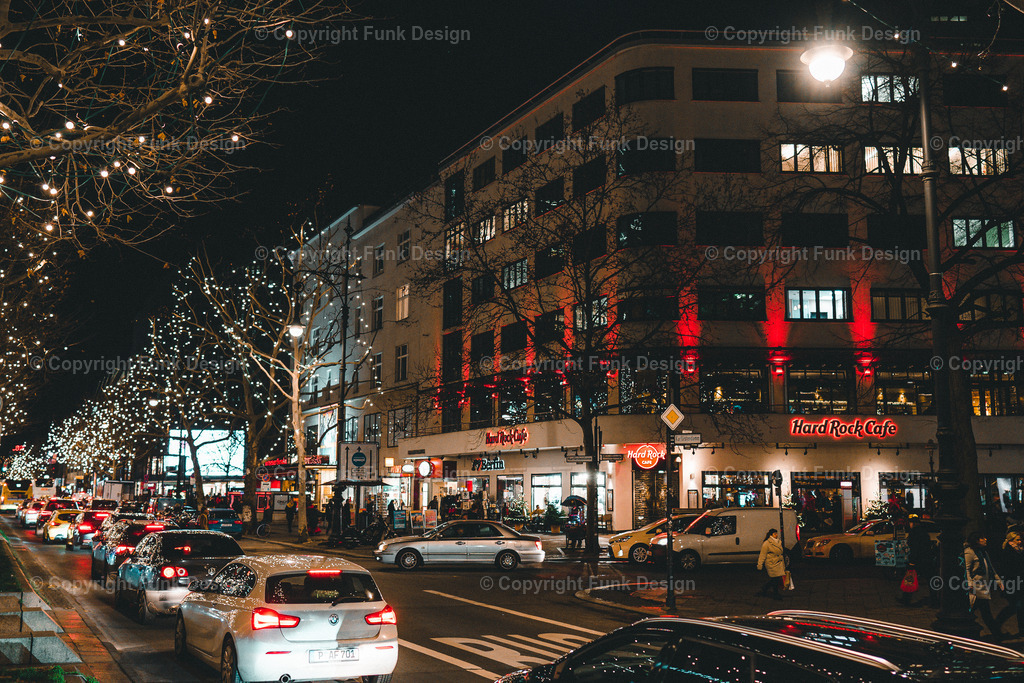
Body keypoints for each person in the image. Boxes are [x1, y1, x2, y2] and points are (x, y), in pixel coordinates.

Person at [965, 531, 1006, 641]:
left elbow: (990, 568)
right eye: (982, 538)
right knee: (984, 612)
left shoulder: (983, 552)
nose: (985, 539)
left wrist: (998, 581)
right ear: (976, 540)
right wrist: (969, 583)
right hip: (976, 587)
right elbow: (967, 569)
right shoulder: (970, 552)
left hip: (983, 586)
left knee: (982, 612)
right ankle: (997, 634)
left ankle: (996, 633)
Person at [906, 516, 938, 607]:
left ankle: (906, 598)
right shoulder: (924, 532)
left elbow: (915, 547)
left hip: (919, 559)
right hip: (927, 558)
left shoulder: (914, 533)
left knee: (910, 578)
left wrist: (912, 561)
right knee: (930, 579)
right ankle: (934, 599)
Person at [998, 532, 1024, 637]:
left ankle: (1022, 630)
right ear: (1010, 541)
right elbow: (1009, 569)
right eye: (1017, 540)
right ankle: (997, 624)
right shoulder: (1008, 552)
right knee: (1015, 607)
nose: (1020, 541)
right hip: (1013, 583)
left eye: (1020, 539)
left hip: (1018, 583)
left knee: (1019, 607)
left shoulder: (1018, 551)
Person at [756, 528, 786, 600]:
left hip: (778, 563)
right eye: (775, 534)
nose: (776, 535)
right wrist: (760, 564)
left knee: (775, 579)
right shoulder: (767, 543)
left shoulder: (778, 542)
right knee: (775, 579)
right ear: (771, 535)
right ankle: (775, 594)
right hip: (771, 563)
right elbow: (762, 554)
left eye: (776, 533)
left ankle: (765, 588)